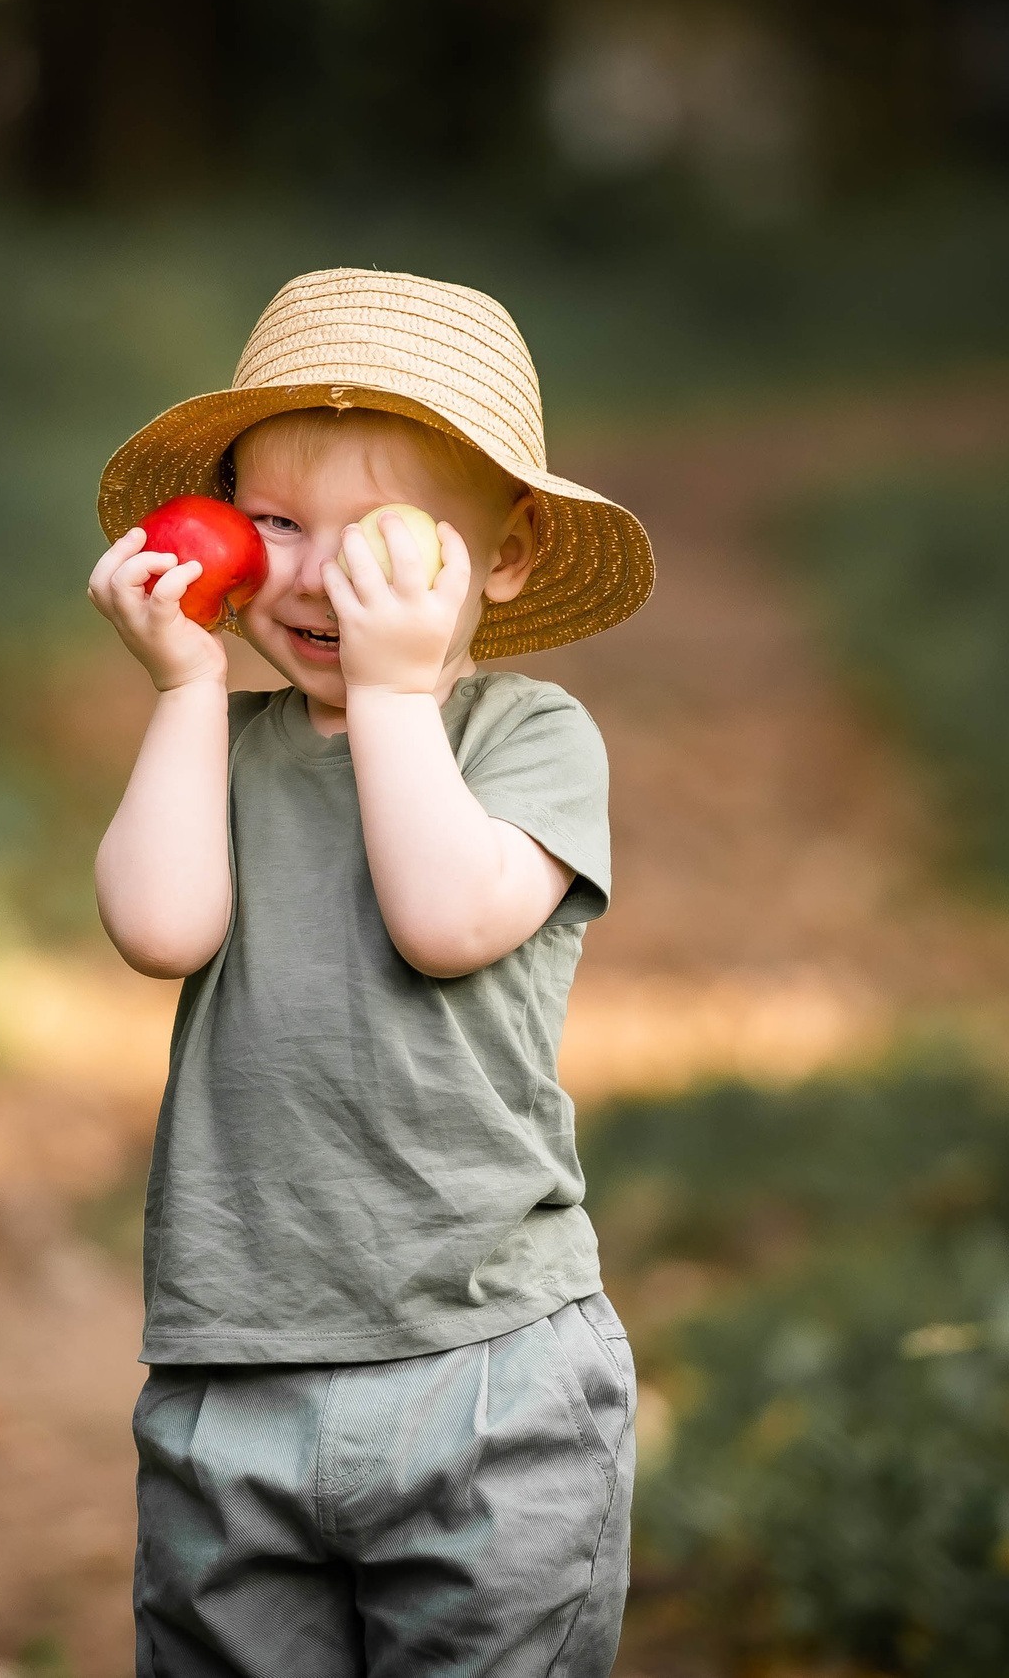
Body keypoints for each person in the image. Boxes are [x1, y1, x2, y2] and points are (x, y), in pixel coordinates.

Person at [85, 268, 657, 1677]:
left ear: (505, 554)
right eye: (273, 524)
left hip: (488, 1374)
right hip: (237, 1369)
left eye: (387, 536)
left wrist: (400, 697)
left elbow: (448, 918)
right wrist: (181, 689)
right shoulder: (223, 746)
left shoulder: (530, 738)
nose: (321, 574)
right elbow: (159, 928)